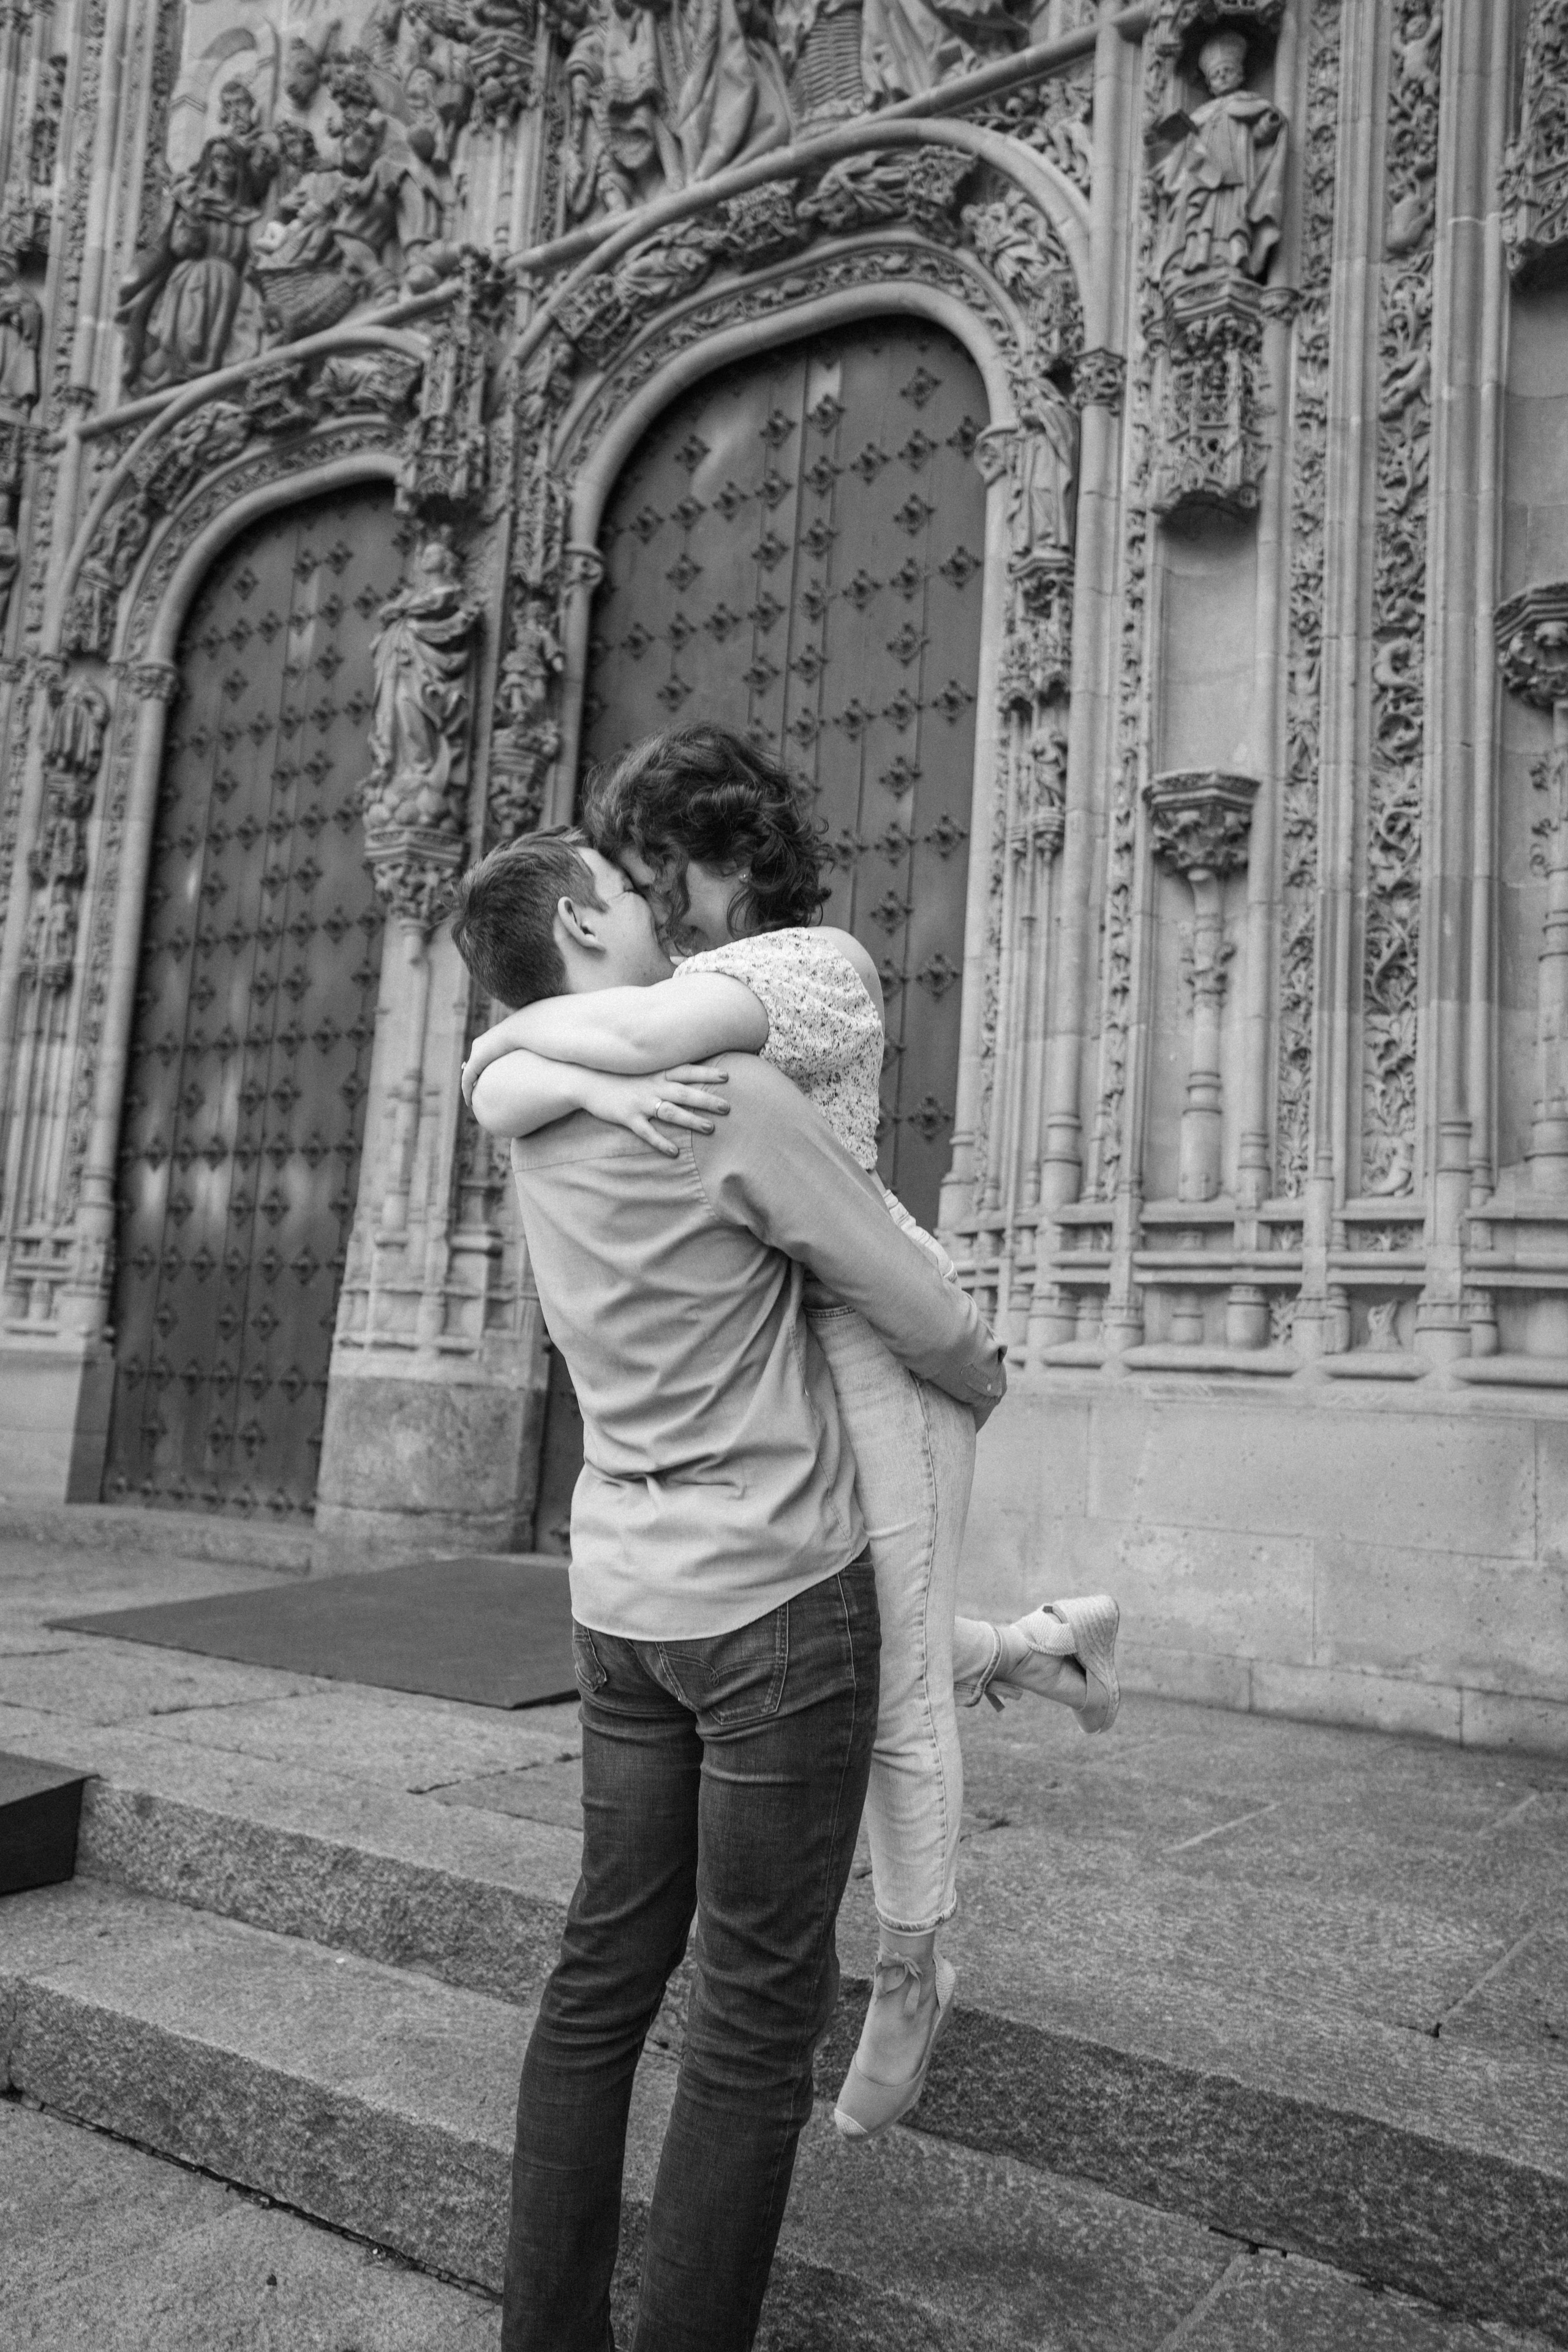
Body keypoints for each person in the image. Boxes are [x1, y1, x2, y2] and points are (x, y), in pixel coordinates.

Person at [462, 722, 1120, 2143]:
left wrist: (560, 1055)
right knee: (873, 1618)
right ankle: (1043, 1645)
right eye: (621, 885)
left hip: (864, 1323)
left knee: (880, 1677)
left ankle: (911, 1963)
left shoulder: (798, 970)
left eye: (650, 872)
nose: (642, 903)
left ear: (717, 857)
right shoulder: (665, 996)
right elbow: (502, 1075)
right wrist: (569, 1075)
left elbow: (532, 1053)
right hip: (781, 1332)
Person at [453, 826, 1006, 2351]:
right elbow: (907, 1298)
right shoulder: (725, 1097)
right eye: (627, 896)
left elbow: (498, 1067)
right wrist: (982, 1370)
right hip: (773, 1595)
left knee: (599, 1975)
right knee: (757, 2019)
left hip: (619, 1601)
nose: (657, 914)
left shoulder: (531, 1116)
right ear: (580, 921)